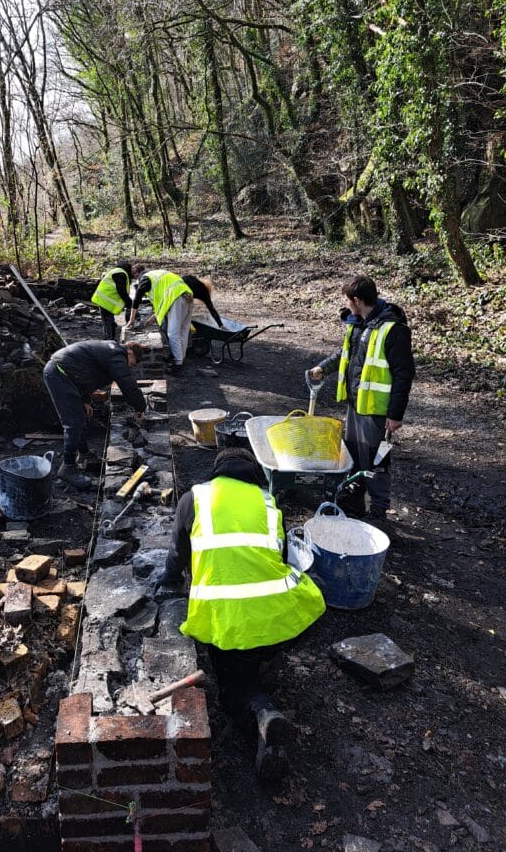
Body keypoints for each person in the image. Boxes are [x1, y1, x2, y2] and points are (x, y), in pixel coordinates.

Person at [157, 447, 325, 781]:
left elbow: (176, 557)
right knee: (312, 589)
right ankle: (266, 660)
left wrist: (167, 587)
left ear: (217, 471)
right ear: (252, 473)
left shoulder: (194, 498)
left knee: (232, 687)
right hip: (275, 618)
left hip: (226, 623)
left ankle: (260, 711)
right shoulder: (267, 502)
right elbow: (282, 556)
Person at [308, 274, 415, 519]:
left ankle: (378, 511)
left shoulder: (393, 330)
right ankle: (354, 500)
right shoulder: (359, 323)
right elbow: (345, 353)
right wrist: (323, 367)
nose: (345, 305)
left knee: (376, 460)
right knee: (353, 454)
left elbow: (404, 374)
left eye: (347, 300)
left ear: (357, 300)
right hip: (356, 404)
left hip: (377, 410)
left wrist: (395, 414)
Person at [43, 339, 148, 488]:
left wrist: (85, 400)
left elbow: (86, 374)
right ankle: (67, 467)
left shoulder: (111, 352)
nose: (130, 367)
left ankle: (84, 454)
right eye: (132, 363)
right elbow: (127, 384)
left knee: (81, 415)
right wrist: (140, 407)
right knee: (73, 422)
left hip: (67, 376)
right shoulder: (117, 355)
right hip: (59, 374)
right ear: (130, 352)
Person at [126, 268, 193, 374]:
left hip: (176, 297)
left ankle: (178, 365)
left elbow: (136, 299)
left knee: (173, 333)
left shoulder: (145, 278)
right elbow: (162, 302)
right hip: (187, 294)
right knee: (183, 330)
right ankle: (180, 358)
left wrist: (132, 319)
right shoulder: (158, 275)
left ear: (137, 275)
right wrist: (153, 318)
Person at [90, 262, 138, 340]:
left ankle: (110, 340)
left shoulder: (120, 272)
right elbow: (122, 293)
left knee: (110, 323)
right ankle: (109, 343)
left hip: (105, 300)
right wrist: (133, 307)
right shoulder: (120, 274)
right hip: (105, 300)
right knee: (108, 324)